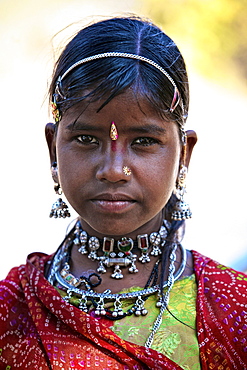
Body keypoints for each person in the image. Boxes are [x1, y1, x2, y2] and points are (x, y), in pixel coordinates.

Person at [0, 15, 246, 370]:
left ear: (184, 153)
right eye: (86, 139)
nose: (114, 170)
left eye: (144, 142)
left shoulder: (234, 308)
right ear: (53, 147)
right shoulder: (13, 311)